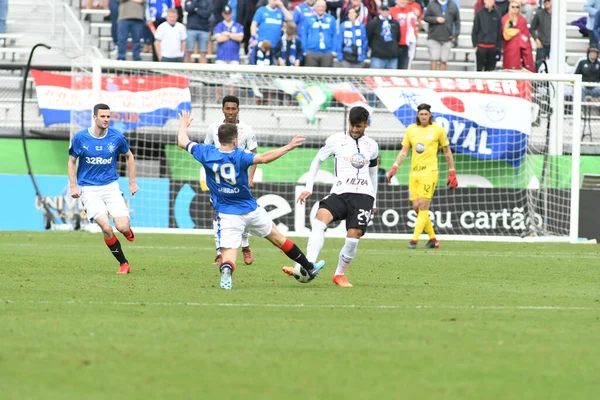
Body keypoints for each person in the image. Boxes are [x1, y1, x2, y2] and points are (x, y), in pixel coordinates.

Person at [177, 111, 325, 290]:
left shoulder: (205, 152)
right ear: (235, 139)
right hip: (250, 209)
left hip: (226, 213)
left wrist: (183, 125)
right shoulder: (240, 155)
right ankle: (309, 267)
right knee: (279, 239)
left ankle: (226, 271)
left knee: (229, 253)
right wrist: (289, 146)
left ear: (218, 137)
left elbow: (182, 141)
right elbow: (264, 158)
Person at [282, 106, 379, 288]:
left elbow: (373, 173)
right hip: (340, 192)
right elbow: (317, 160)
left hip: (364, 196)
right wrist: (308, 187)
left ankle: (339, 275)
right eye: (352, 125)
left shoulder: (372, 146)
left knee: (353, 237)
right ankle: (307, 265)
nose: (355, 129)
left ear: (366, 124)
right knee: (320, 219)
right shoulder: (336, 140)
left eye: (359, 126)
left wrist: (374, 198)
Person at [68, 104, 139, 274]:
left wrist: (132, 182)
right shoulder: (81, 138)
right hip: (89, 188)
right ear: (94, 118)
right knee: (106, 227)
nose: (106, 119)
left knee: (121, 227)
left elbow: (129, 156)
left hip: (110, 187)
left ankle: (126, 230)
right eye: (103, 116)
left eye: (108, 116)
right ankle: (124, 263)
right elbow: (71, 161)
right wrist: (73, 186)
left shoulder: (116, 137)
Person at [386, 103, 458, 249]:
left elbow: (447, 151)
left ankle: (414, 239)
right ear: (418, 115)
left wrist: (452, 171)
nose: (424, 117)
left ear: (430, 115)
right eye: (421, 114)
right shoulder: (411, 130)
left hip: (430, 172)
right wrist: (394, 167)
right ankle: (433, 239)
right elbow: (404, 152)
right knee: (416, 208)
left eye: (426, 114)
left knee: (423, 205)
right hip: (414, 173)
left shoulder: (438, 130)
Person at [205, 96, 258, 266]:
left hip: (239, 180)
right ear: (222, 109)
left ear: (238, 110)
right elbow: (206, 151)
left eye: (233, 109)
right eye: (227, 109)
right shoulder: (213, 128)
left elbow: (254, 154)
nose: (230, 112)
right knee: (218, 213)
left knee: (242, 213)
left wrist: (250, 177)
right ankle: (220, 253)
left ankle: (245, 245)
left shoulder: (246, 129)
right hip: (219, 181)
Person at [501, 0, 534, 72]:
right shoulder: (505, 19)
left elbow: (526, 37)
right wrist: (517, 33)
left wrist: (518, 37)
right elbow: (504, 34)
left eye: (517, 7)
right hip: (508, 50)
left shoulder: (522, 20)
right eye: (513, 7)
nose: (515, 9)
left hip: (520, 52)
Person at [471, 0, 502, 71]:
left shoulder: (497, 14)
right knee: (479, 70)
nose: (490, 1)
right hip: (481, 47)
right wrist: (475, 45)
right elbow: (475, 30)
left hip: (492, 48)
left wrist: (498, 47)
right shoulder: (479, 13)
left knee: (490, 71)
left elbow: (499, 32)